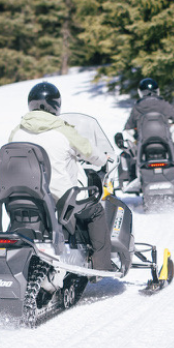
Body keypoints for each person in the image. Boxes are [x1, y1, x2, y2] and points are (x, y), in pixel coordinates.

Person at [9, 81, 115, 272]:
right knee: (96, 211)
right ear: (56, 105)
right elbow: (91, 154)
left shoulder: (18, 130)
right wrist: (103, 159)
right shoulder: (63, 129)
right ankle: (102, 265)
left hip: (22, 196)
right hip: (59, 198)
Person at [119, 78, 174, 183]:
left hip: (143, 143)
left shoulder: (137, 107)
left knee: (129, 151)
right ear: (157, 91)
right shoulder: (163, 104)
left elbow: (128, 126)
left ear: (140, 92)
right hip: (165, 141)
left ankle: (131, 177)